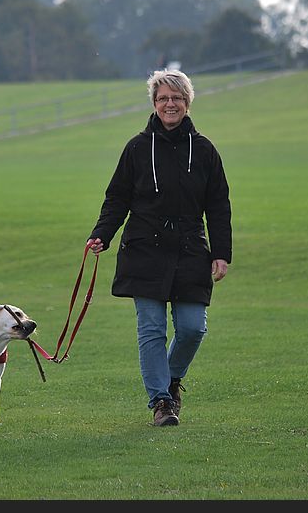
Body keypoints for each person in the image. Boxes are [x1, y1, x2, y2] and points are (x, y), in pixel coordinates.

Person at [88, 69, 232, 426]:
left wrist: (221, 252)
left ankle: (171, 379)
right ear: (154, 103)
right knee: (151, 328)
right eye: (164, 98)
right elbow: (117, 197)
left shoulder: (204, 150)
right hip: (144, 248)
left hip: (190, 249)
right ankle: (161, 401)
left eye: (177, 98)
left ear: (187, 103)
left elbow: (218, 205)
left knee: (192, 328)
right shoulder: (137, 148)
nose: (171, 104)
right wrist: (102, 234)